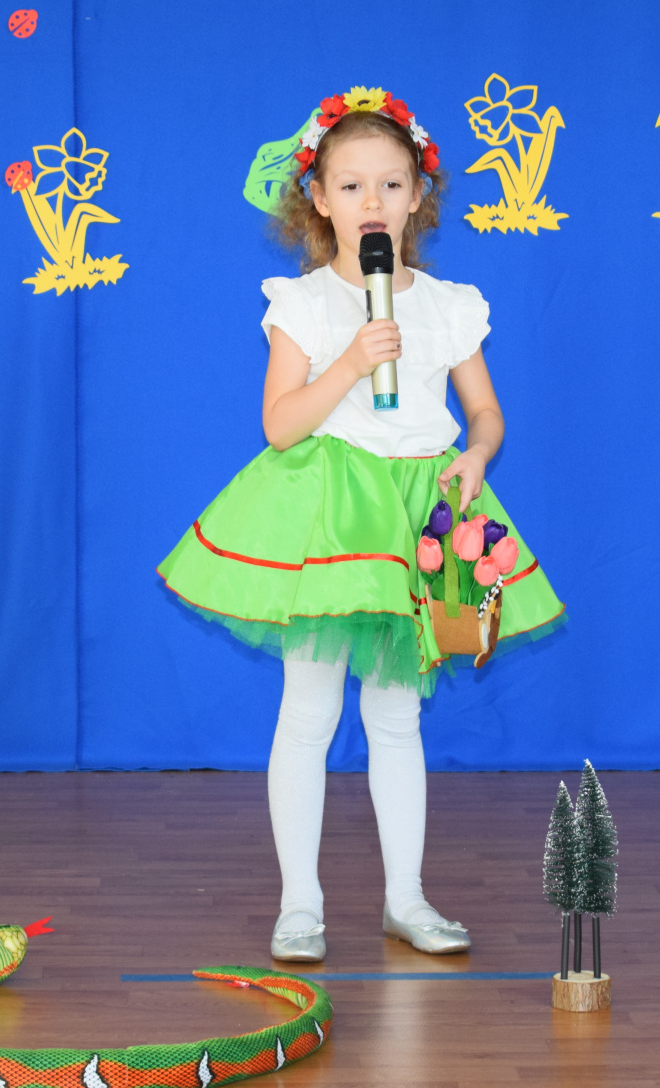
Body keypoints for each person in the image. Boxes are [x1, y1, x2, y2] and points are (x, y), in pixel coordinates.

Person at [156, 88, 563, 962]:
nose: (370, 202)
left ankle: (405, 898)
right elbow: (280, 425)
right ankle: (299, 905)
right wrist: (349, 361)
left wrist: (477, 455)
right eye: (350, 186)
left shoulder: (449, 305)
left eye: (390, 184)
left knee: (397, 714)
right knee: (308, 708)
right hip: (334, 512)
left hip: (420, 509)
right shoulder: (303, 303)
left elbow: (485, 412)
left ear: (418, 196)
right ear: (318, 199)